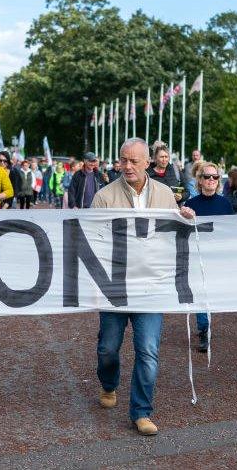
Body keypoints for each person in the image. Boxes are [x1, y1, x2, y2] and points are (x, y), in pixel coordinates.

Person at [92, 137, 189, 436]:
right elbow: (92, 240)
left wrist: (186, 219)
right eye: (124, 160)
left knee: (148, 351)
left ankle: (141, 412)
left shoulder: (164, 194)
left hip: (150, 287)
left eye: (134, 160)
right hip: (116, 288)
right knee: (108, 348)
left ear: (148, 162)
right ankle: (109, 383)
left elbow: (174, 235)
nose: (128, 166)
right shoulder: (104, 197)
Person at [182, 161, 234, 352]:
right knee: (201, 294)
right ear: (200, 180)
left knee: (211, 295)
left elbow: (232, 230)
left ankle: (206, 326)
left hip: (218, 256)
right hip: (197, 255)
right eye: (207, 177)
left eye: (215, 177)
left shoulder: (225, 204)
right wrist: (183, 215)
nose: (211, 180)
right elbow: (182, 230)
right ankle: (204, 331)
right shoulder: (191, 204)